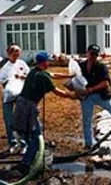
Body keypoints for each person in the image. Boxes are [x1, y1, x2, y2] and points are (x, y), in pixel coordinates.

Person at [0, 52, 76, 181]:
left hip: (21, 104)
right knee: (37, 136)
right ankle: (26, 165)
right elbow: (59, 92)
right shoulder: (42, 77)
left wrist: (69, 75)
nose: (50, 63)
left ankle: (34, 156)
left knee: (28, 133)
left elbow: (54, 75)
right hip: (28, 107)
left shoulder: (34, 71)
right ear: (43, 62)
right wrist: (74, 96)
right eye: (48, 61)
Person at [79, 44, 111, 149]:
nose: (93, 56)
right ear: (87, 53)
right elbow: (75, 78)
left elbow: (105, 83)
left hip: (101, 95)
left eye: (95, 54)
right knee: (87, 120)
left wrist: (91, 89)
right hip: (87, 97)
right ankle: (88, 144)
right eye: (91, 54)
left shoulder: (101, 67)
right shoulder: (81, 66)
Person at [0, 44, 30, 154]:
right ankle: (12, 143)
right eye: (14, 55)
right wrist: (9, 82)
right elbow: (2, 80)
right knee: (9, 120)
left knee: (21, 119)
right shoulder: (5, 66)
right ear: (9, 54)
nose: (16, 57)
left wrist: (23, 77)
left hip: (21, 95)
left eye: (18, 54)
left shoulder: (22, 63)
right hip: (8, 97)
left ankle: (23, 143)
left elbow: (29, 75)